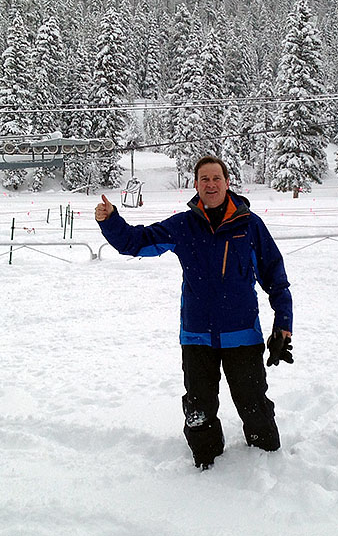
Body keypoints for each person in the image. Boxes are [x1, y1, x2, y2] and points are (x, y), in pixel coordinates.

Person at [95, 155, 293, 470]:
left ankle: (267, 463)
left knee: (254, 406)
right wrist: (111, 221)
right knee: (198, 411)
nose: (211, 185)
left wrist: (283, 324)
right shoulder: (184, 225)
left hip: (242, 335)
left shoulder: (249, 225)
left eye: (217, 179)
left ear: (228, 183)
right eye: (204, 179)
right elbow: (138, 242)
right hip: (197, 336)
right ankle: (205, 465)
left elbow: (276, 279)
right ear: (196, 185)